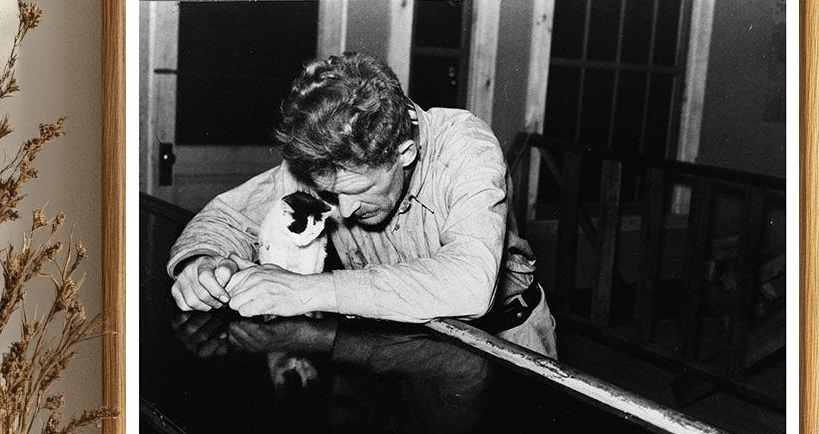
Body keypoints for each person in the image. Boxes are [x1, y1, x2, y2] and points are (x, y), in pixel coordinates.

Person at [167, 52, 557, 358]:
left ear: (404, 153)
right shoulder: (326, 163)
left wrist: (306, 291)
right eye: (331, 195)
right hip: (394, 345)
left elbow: (469, 284)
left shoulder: (467, 147)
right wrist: (199, 263)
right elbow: (228, 218)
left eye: (359, 190)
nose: (345, 212)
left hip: (504, 341)